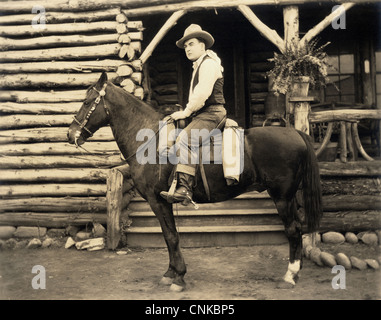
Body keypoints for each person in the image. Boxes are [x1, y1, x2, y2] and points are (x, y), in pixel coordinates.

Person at [160, 24, 227, 205]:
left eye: (191, 44)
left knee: (184, 139)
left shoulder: (208, 64)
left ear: (202, 45)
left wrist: (186, 112)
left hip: (212, 113)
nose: (187, 49)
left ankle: (185, 189)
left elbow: (202, 94)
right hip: (204, 113)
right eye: (186, 46)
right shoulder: (199, 65)